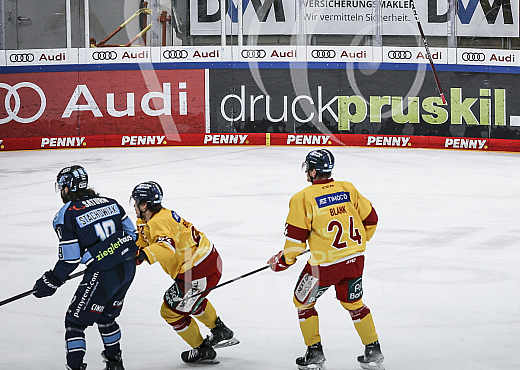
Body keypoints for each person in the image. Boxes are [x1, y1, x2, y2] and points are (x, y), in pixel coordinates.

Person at [267, 149, 384, 370]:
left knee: (303, 301)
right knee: (354, 303)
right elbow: (372, 219)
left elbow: (294, 245)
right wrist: (355, 243)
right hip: (356, 261)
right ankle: (373, 350)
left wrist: (282, 262)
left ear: (313, 170)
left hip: (324, 266)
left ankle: (314, 353)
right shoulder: (347, 188)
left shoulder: (302, 198)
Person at [33, 165, 138, 370]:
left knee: (75, 322)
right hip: (127, 268)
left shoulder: (66, 215)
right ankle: (115, 364)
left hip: (103, 273)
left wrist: (51, 281)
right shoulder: (111, 203)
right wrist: (112, 250)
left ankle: (76, 367)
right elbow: (132, 235)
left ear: (67, 188)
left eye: (62, 186)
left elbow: (70, 260)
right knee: (107, 317)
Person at [132, 181, 238, 364]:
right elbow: (144, 240)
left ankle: (203, 350)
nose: (134, 206)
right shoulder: (149, 219)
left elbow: (166, 249)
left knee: (171, 311)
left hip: (199, 269)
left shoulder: (158, 222)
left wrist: (143, 255)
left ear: (144, 205)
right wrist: (132, 253)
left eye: (136, 202)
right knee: (189, 300)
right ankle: (220, 330)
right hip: (205, 262)